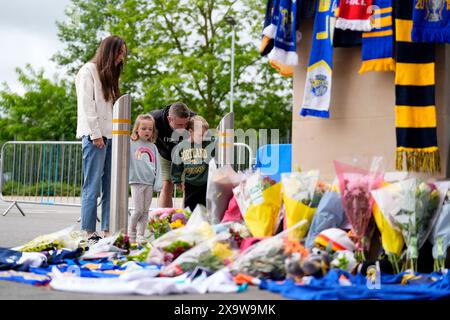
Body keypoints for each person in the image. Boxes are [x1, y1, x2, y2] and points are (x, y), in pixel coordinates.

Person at [75, 35, 127, 241]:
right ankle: (88, 231)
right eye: (119, 52)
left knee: (109, 186)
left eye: (124, 53)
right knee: (92, 185)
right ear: (109, 51)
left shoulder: (110, 74)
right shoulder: (88, 71)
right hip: (94, 136)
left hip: (111, 136)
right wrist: (96, 135)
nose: (122, 57)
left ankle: (107, 228)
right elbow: (87, 105)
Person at [150, 102, 196, 208]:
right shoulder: (154, 118)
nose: (183, 127)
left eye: (186, 124)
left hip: (186, 155)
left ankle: (187, 218)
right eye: (180, 125)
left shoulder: (194, 120)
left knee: (188, 186)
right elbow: (140, 131)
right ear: (169, 119)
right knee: (166, 184)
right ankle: (165, 218)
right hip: (165, 154)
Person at [128, 114, 162, 244]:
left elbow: (157, 166)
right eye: (143, 128)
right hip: (136, 181)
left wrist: (157, 183)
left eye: (150, 129)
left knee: (146, 211)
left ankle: (141, 235)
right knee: (138, 210)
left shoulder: (153, 147)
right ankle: (131, 233)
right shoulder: (131, 143)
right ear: (137, 129)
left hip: (149, 182)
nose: (147, 131)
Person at [171, 116, 215, 211]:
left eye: (205, 135)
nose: (203, 137)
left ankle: (204, 225)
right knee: (189, 208)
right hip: (190, 183)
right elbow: (176, 165)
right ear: (190, 132)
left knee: (205, 208)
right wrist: (177, 180)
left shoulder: (208, 143)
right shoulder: (181, 146)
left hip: (205, 183)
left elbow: (219, 142)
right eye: (200, 135)